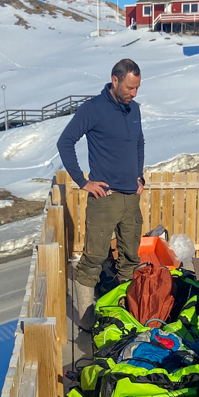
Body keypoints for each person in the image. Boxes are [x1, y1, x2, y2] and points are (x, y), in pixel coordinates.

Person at [57, 58, 145, 326]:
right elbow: (65, 142)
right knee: (93, 259)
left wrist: (139, 175)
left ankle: (125, 312)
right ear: (115, 80)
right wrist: (83, 182)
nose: (134, 93)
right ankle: (86, 320)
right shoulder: (92, 109)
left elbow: (139, 142)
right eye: (130, 88)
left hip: (131, 198)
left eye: (138, 88)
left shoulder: (135, 110)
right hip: (104, 199)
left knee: (130, 258)